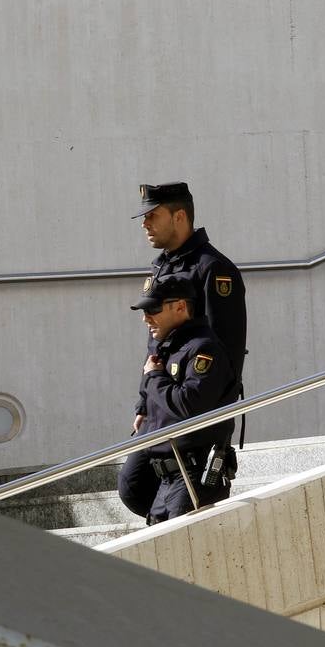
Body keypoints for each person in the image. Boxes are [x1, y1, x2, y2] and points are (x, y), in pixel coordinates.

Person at [116, 273, 237, 524]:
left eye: (153, 309)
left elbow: (189, 405)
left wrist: (155, 378)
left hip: (193, 475)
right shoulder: (168, 346)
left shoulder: (204, 350)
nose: (145, 318)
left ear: (180, 307)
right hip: (167, 480)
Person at [130, 181, 247, 441]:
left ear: (179, 217)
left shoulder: (213, 269)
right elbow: (155, 344)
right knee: (130, 480)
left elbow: (227, 348)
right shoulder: (162, 266)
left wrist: (214, 418)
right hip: (161, 404)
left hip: (196, 415)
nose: (144, 224)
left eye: (152, 215)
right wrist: (143, 401)